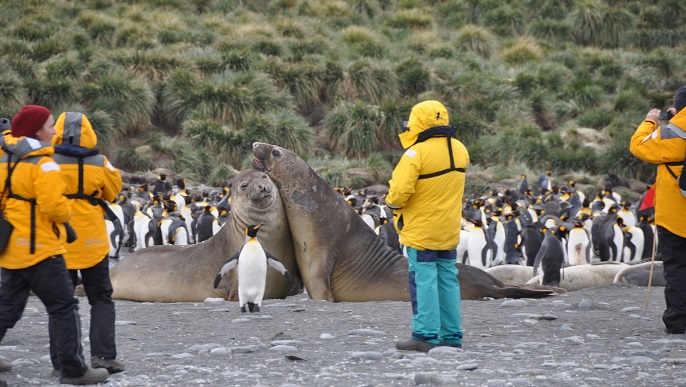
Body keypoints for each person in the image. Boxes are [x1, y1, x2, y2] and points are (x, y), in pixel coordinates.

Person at [0, 105, 109, 385]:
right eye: (50, 125)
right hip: (43, 248)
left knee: (7, 309)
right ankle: (73, 370)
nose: (54, 131)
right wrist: (67, 212)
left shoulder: (4, 158)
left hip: (11, 247)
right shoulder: (44, 163)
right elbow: (56, 209)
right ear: (38, 130)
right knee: (63, 307)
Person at [385, 100, 470, 352]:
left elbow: (398, 194)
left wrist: (391, 203)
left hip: (422, 229)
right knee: (447, 278)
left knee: (423, 279)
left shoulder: (416, 153)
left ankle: (424, 334)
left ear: (418, 123)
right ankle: (452, 335)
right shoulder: (459, 149)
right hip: (449, 228)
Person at [50, 112, 125, 374]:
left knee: (61, 303)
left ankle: (62, 362)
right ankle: (104, 358)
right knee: (101, 298)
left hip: (58, 241)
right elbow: (114, 193)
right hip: (93, 242)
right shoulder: (100, 163)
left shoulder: (46, 161)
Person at [630, 85, 686, 335]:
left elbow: (638, 145)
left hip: (676, 216)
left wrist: (650, 122)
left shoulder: (673, 132)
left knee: (677, 267)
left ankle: (678, 321)